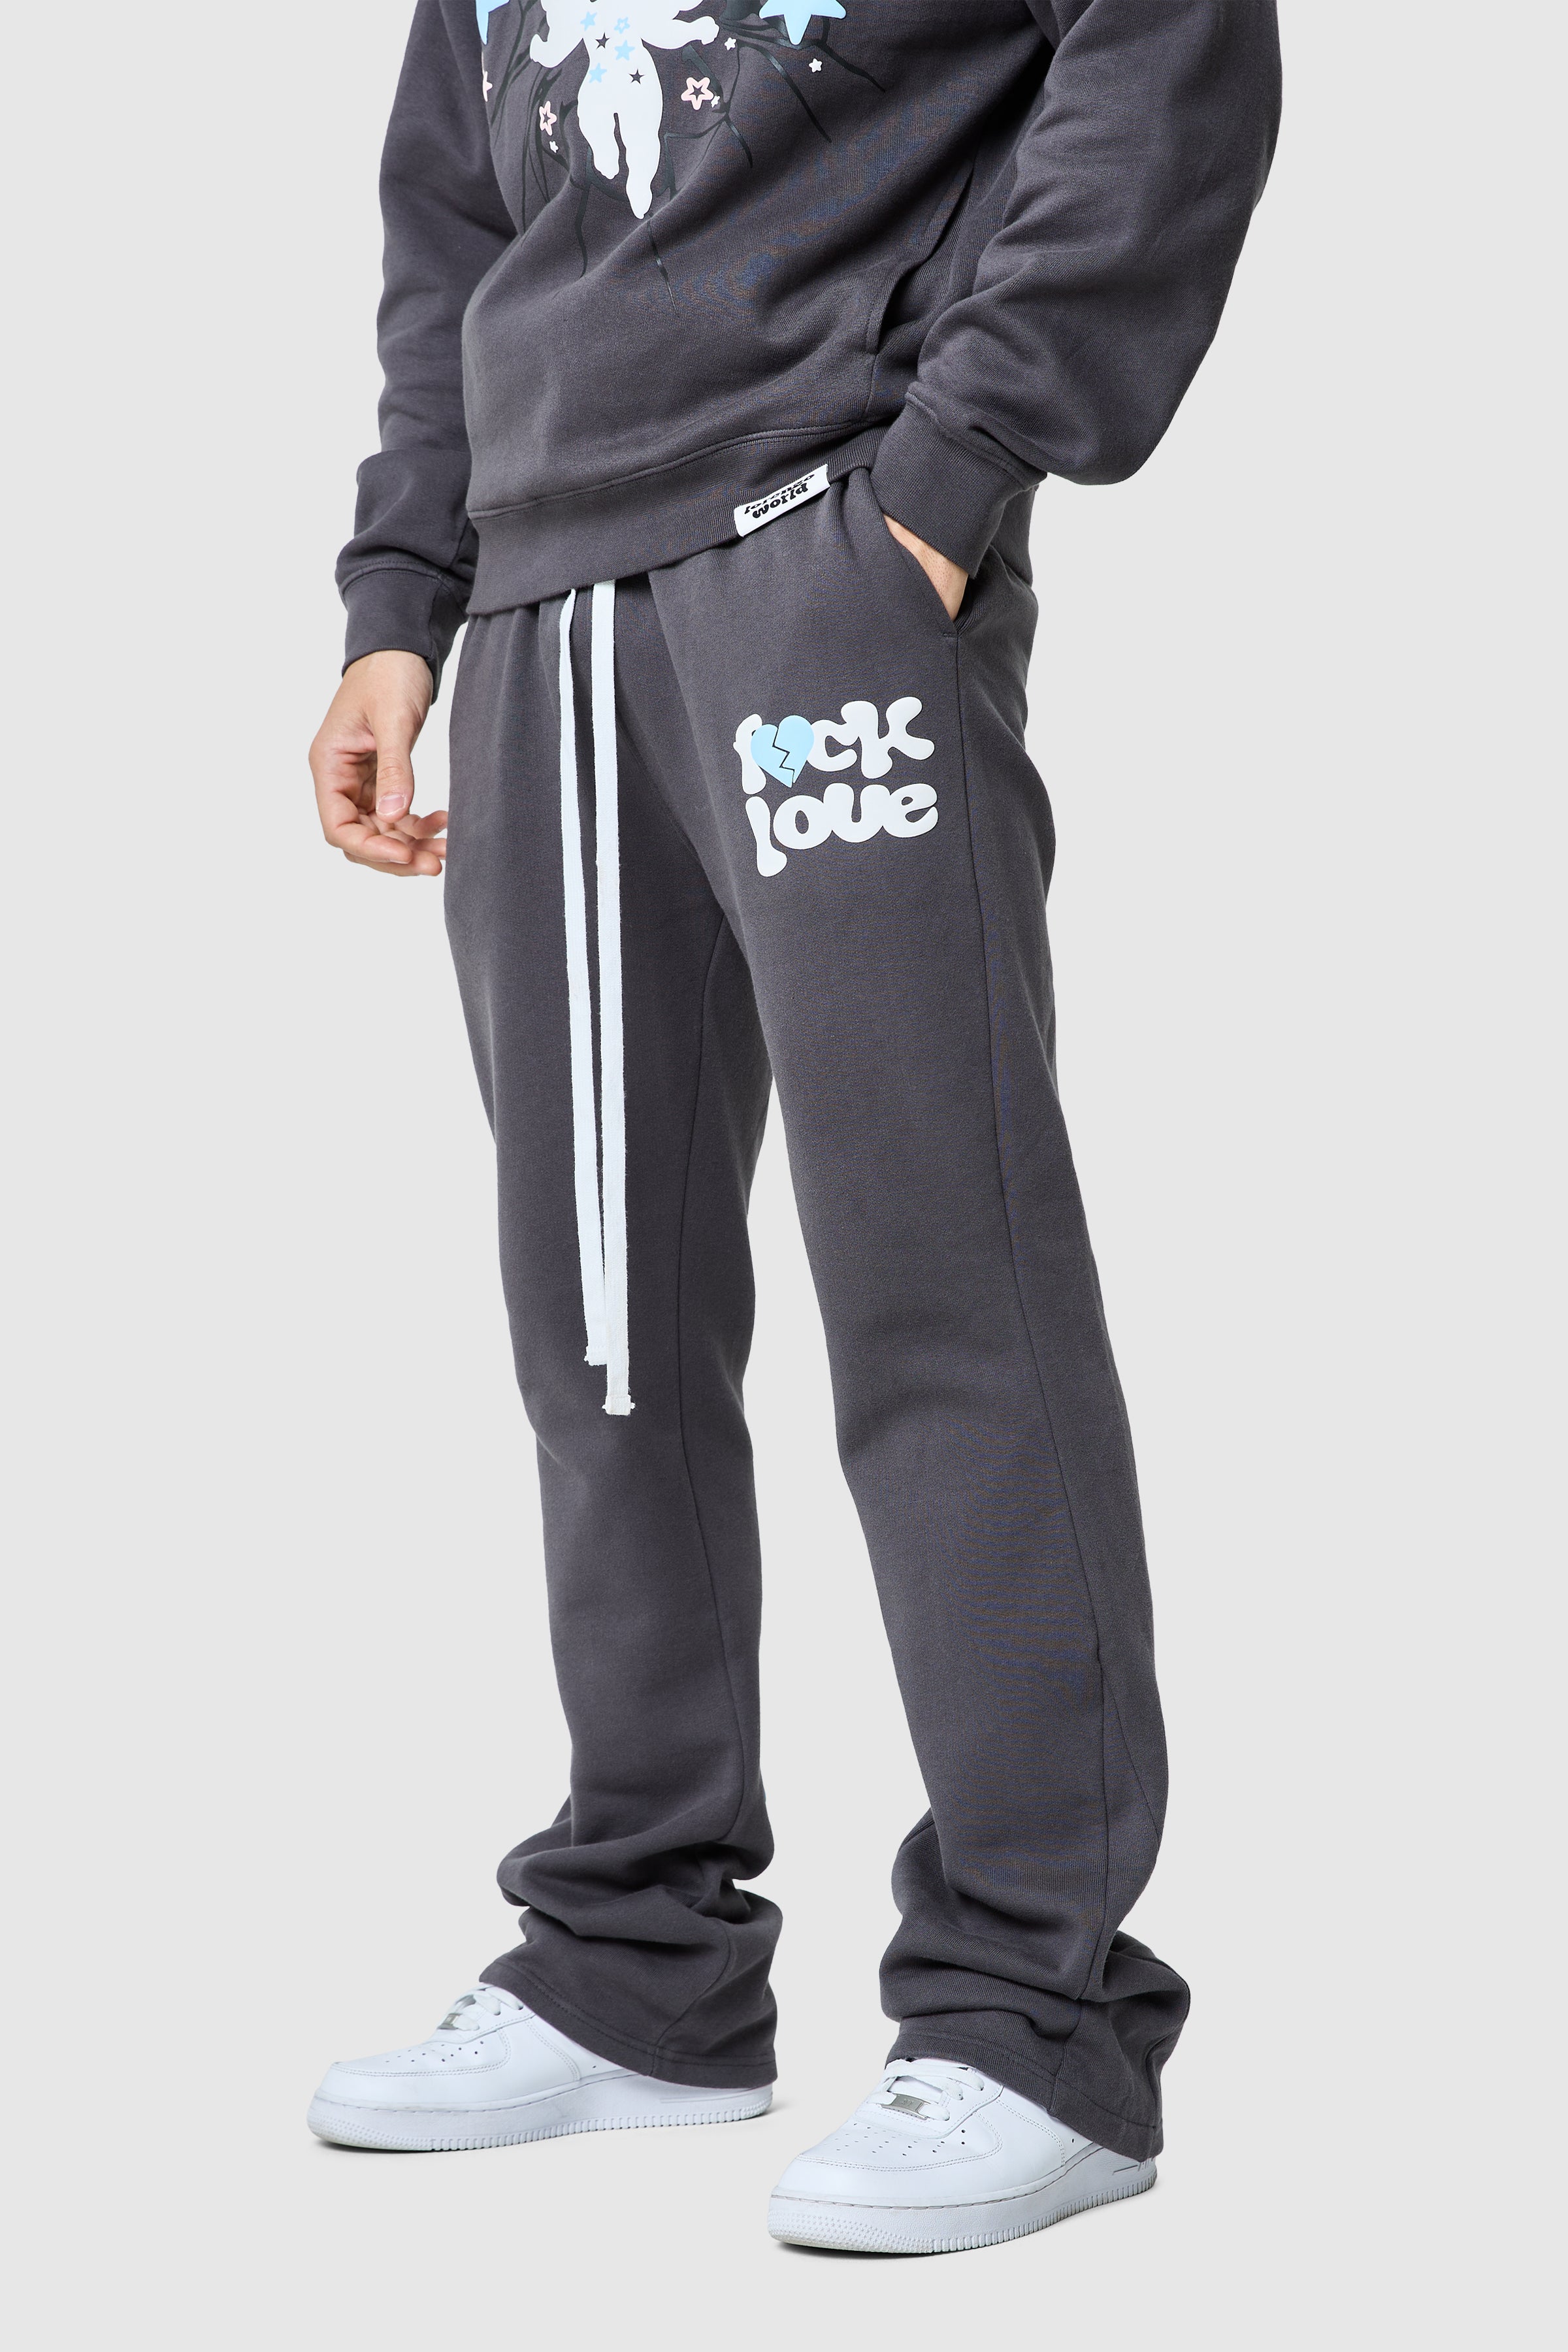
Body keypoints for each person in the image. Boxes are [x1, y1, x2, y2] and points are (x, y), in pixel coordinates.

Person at [305, 0, 1281, 2256]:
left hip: (820, 546)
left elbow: (1168, 50)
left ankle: (1036, 2013)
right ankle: (639, 1962)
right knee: (600, 1319)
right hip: (538, 610)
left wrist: (950, 483)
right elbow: (454, 207)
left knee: (942, 1277)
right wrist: (400, 595)